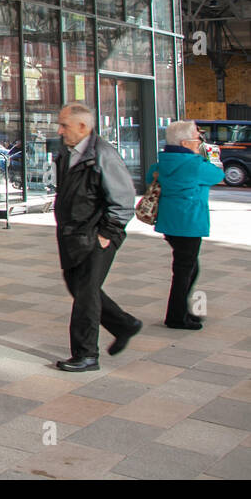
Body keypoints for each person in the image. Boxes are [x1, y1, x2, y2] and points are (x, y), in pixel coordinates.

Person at [52, 102, 140, 371]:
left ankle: (86, 354)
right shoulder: (68, 154)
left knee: (86, 296)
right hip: (73, 236)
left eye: (64, 124)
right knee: (77, 287)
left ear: (82, 126)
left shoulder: (103, 154)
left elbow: (124, 199)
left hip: (96, 235)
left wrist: (107, 233)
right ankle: (124, 324)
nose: (60, 130)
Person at [147, 120, 224, 330]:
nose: (199, 141)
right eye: (197, 138)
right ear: (184, 142)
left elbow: (149, 176)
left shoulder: (162, 162)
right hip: (189, 222)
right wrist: (210, 155)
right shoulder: (195, 165)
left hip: (169, 222)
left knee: (188, 267)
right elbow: (218, 175)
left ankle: (181, 311)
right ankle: (176, 317)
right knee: (184, 270)